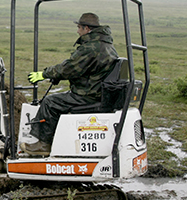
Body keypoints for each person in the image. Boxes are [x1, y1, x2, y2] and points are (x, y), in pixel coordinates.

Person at [21, 13, 119, 156]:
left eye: (79, 27)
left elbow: (70, 68)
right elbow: (84, 70)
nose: (78, 31)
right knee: (57, 100)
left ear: (87, 28)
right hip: (98, 92)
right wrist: (59, 76)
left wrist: (44, 74)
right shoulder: (107, 45)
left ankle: (43, 145)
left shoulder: (91, 47)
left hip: (88, 95)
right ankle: (54, 139)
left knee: (50, 103)